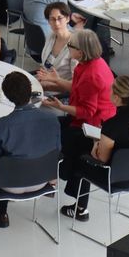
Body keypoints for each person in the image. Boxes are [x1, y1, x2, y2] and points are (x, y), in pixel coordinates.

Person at [41, 29, 116, 221]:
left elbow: (87, 111)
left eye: (70, 46)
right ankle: (51, 176)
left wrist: (61, 107)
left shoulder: (93, 74)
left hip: (93, 127)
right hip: (85, 118)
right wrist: (57, 81)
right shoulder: (90, 63)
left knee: (70, 147)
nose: (68, 48)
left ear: (81, 52)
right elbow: (76, 87)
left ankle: (80, 206)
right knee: (50, 127)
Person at [0, 71, 60, 227]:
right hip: (42, 179)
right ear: (30, 89)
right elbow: (56, 150)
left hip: (11, 184)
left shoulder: (2, 125)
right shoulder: (52, 119)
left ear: (7, 96)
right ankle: (0, 211)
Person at [60, 75, 129, 221]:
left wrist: (97, 143)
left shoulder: (112, 125)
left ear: (116, 98)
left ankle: (80, 209)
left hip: (116, 177)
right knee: (80, 143)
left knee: (79, 158)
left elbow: (100, 157)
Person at [35, 2, 77, 90]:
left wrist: (46, 86)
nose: (56, 23)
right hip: (43, 84)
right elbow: (44, 65)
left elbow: (75, 85)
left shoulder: (75, 45)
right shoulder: (51, 36)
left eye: (60, 18)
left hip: (60, 93)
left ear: (68, 19)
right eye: (52, 19)